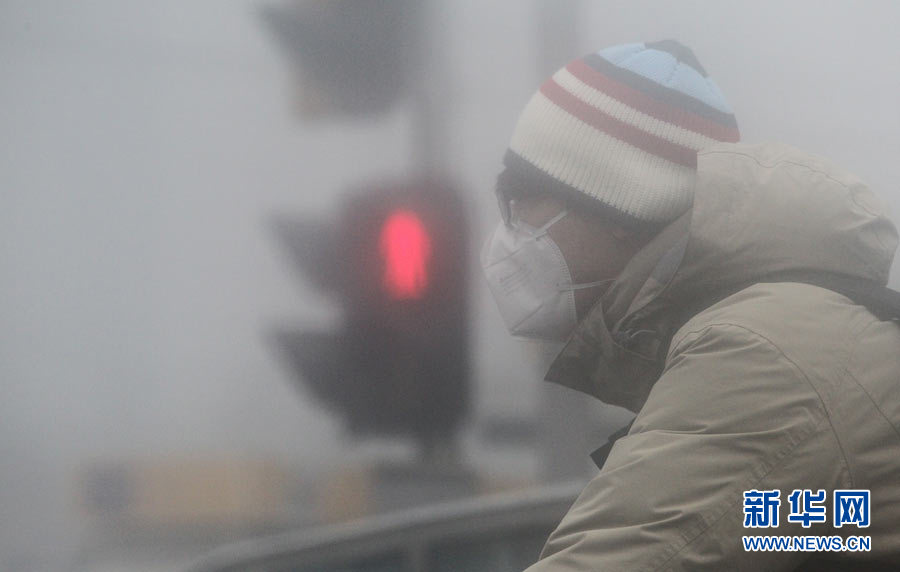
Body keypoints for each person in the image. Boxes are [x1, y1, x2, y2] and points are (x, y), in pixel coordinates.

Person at [481, 40, 900, 570]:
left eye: (521, 200)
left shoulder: (763, 356)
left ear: (617, 205)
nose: (508, 232)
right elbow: (801, 525)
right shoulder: (792, 333)